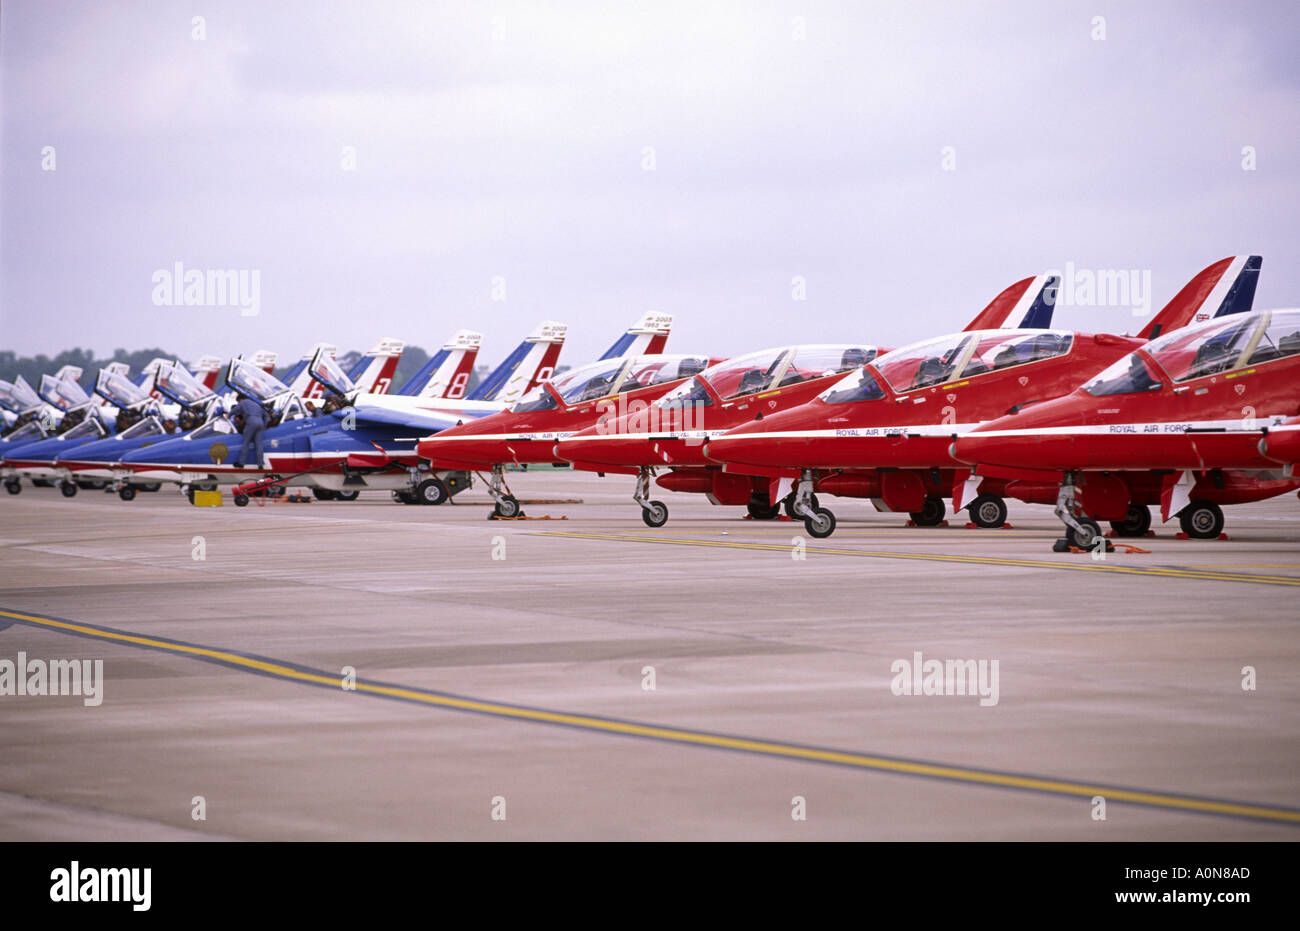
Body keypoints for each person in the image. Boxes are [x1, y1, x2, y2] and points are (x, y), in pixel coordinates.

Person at [232, 394, 267, 469]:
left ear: (240, 399)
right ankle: (260, 464)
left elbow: (235, 410)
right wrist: (265, 425)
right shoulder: (257, 404)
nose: (239, 403)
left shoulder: (243, 402)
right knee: (259, 444)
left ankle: (241, 463)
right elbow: (266, 415)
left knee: (246, 442)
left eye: (238, 402)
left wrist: (228, 415)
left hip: (251, 422)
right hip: (260, 423)